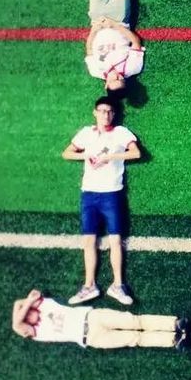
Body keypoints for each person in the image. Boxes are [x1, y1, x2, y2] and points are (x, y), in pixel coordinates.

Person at [61, 97, 142, 306]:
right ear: (95, 113)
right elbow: (67, 153)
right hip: (89, 194)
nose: (106, 115)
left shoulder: (121, 133)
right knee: (89, 240)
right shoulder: (86, 133)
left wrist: (110, 157)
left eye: (109, 111)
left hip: (112, 194)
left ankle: (118, 285)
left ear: (113, 114)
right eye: (102, 111)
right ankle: (89, 286)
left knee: (115, 240)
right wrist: (86, 154)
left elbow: (136, 152)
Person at [11, 288, 188, 349]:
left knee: (134, 320)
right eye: (26, 316)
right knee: (135, 338)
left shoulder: (45, 305)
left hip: (93, 317)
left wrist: (29, 302)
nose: (28, 317)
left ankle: (174, 323)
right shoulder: (36, 333)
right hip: (92, 338)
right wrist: (29, 303)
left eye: (28, 312)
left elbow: (17, 303)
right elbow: (17, 324)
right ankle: (174, 340)